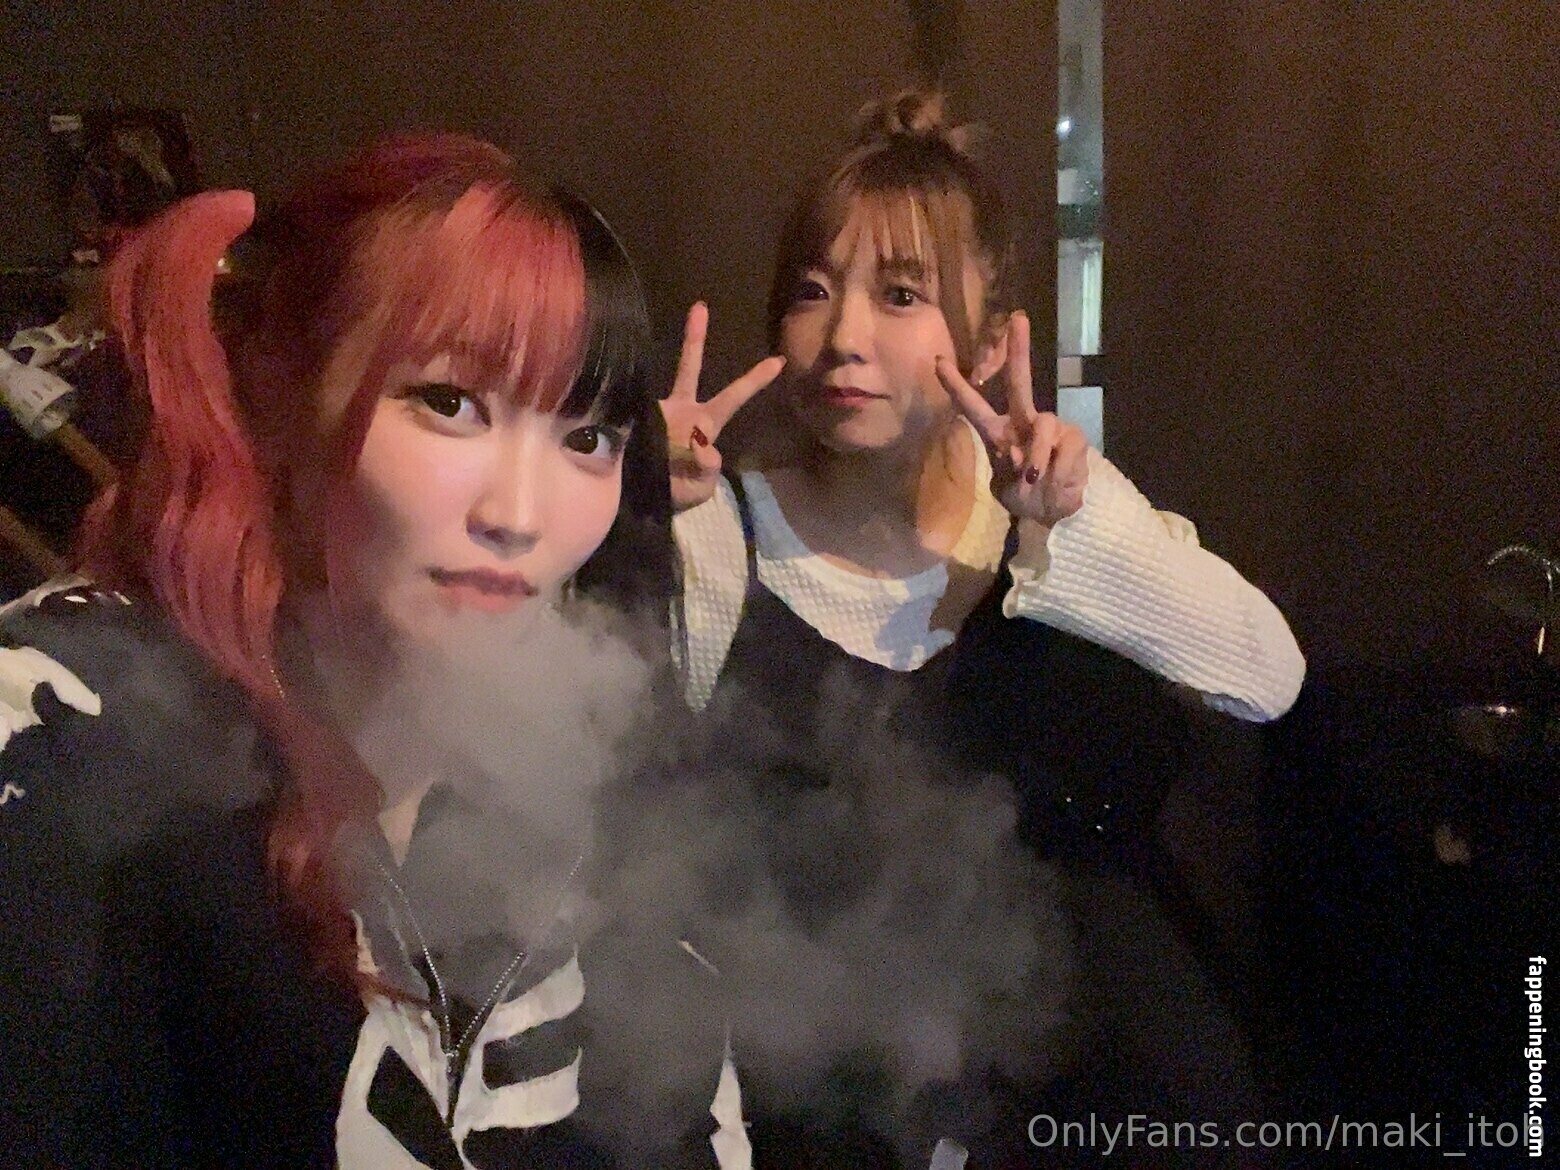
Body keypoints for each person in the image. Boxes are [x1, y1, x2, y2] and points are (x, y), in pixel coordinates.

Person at [0, 135, 748, 1169]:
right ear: (281, 388)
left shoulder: (574, 750)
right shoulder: (79, 724)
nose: (521, 515)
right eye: (451, 403)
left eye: (587, 439)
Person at [659, 90, 1307, 1164]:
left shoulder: (1057, 507)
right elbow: (624, 822)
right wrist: (631, 520)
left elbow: (1268, 677)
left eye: (900, 294)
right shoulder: (722, 534)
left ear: (992, 337)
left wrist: (1071, 529)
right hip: (833, 1115)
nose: (844, 338)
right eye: (812, 291)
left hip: (1120, 1103)